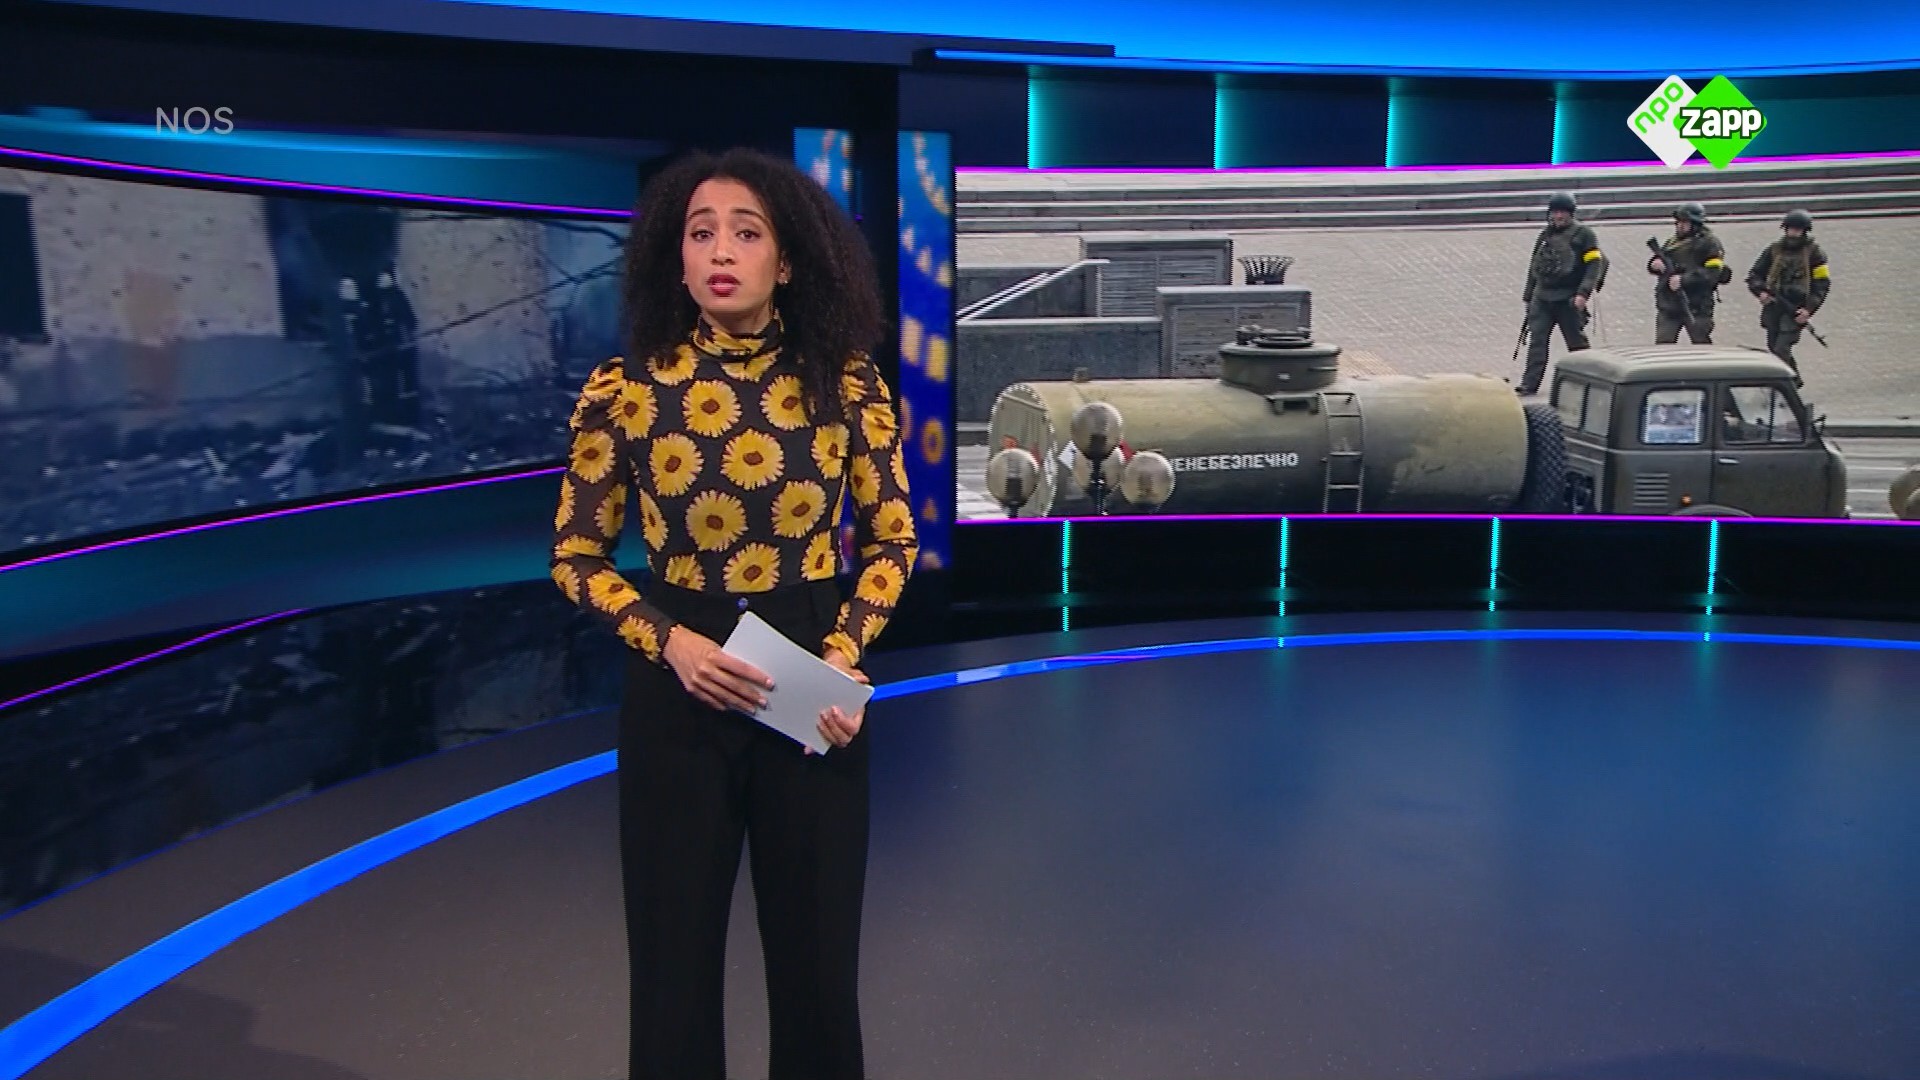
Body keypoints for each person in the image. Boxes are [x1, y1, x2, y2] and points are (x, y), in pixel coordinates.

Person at [549, 146, 918, 1080]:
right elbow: (576, 557)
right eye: (701, 232)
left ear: (786, 262)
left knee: (818, 975)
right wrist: (668, 641)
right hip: (679, 690)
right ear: (673, 259)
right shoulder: (624, 390)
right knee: (670, 976)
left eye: (746, 233)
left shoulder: (848, 383)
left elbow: (893, 542)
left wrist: (840, 656)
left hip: (810, 685)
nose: (721, 250)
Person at [1519, 191, 1605, 396]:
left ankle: (1589, 381)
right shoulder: (1545, 235)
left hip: (1568, 298)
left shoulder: (1584, 235)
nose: (1558, 216)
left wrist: (1583, 293)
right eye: (1555, 212)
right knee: (1537, 342)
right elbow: (1535, 266)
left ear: (1571, 214)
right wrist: (1528, 297)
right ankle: (1529, 383)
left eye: (1562, 213)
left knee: (1577, 344)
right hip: (1542, 298)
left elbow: (1594, 266)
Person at [1747, 208, 1831, 381]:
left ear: (1804, 231)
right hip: (1774, 305)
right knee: (1773, 346)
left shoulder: (1815, 253)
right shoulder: (1773, 250)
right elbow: (1754, 275)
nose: (1793, 233)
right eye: (1791, 229)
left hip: (1795, 308)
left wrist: (1808, 309)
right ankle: (1793, 380)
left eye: (1797, 230)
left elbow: (1821, 285)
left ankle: (1785, 383)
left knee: (1781, 348)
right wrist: (1760, 292)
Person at [1648, 202, 1729, 344]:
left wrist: (1684, 279)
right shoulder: (1673, 242)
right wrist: (1655, 264)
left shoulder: (1710, 243)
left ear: (1695, 224)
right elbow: (1661, 258)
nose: (1680, 226)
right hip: (1670, 306)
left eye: (1684, 222)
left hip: (1697, 306)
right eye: (1678, 222)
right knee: (1663, 344)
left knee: (1701, 344)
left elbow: (1712, 273)